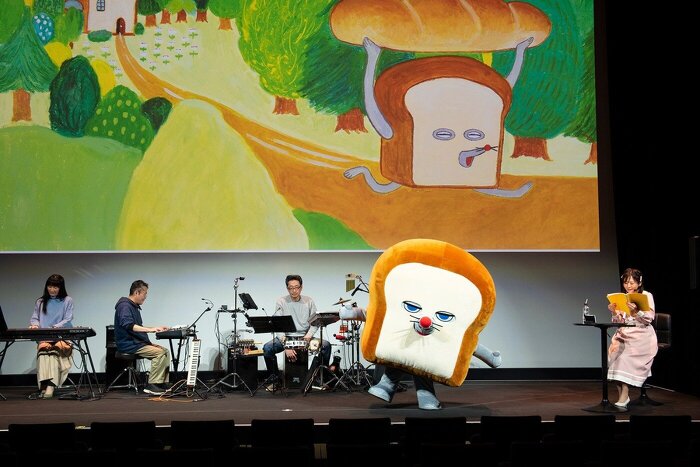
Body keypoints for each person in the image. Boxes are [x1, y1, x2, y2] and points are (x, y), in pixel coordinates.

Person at [262, 275, 332, 384]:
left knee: (326, 346)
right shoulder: (281, 301)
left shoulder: (309, 301)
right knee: (267, 348)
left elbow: (315, 322)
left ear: (301, 287)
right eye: (291, 288)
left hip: (305, 337)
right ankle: (275, 378)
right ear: (287, 288)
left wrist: (308, 336)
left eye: (296, 287)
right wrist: (286, 345)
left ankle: (318, 377)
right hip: (287, 337)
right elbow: (278, 325)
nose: (294, 290)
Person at [607, 267, 658, 409]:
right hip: (624, 333)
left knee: (624, 359)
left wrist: (636, 311)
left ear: (639, 283)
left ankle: (624, 395)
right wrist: (614, 312)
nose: (628, 286)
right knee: (614, 357)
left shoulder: (646, 295)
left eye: (632, 283)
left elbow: (649, 319)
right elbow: (619, 321)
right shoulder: (623, 297)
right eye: (626, 283)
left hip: (641, 335)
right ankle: (623, 396)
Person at [114, 280, 171, 396]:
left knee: (165, 351)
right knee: (159, 353)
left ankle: (161, 383)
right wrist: (151, 330)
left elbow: (138, 327)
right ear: (137, 292)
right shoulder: (124, 306)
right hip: (129, 344)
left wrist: (155, 330)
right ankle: (153, 385)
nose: (146, 297)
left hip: (137, 342)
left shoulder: (133, 307)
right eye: (145, 294)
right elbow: (129, 325)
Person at [29, 274, 74, 399]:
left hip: (62, 336)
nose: (52, 289)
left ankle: (50, 386)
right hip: (45, 337)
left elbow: (68, 319)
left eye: (55, 287)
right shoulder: (40, 301)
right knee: (43, 352)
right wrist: (35, 325)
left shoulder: (67, 300)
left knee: (54, 352)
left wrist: (55, 327)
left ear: (61, 288)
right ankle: (44, 385)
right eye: (50, 286)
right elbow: (35, 318)